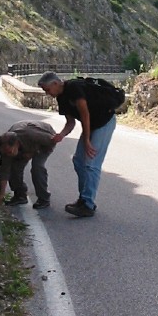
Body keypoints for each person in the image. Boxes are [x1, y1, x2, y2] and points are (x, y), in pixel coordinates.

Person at [37, 71, 117, 218]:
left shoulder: (73, 88)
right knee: (79, 161)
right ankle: (84, 199)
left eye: (47, 90)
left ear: (55, 83)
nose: (47, 93)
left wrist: (86, 140)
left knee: (92, 164)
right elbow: (71, 122)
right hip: (92, 125)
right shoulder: (61, 98)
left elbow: (85, 113)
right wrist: (61, 135)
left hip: (104, 122)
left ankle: (87, 204)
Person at [0, 120, 56, 209]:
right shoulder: (5, 149)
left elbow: (53, 140)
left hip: (45, 141)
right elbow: (4, 171)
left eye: (9, 152)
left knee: (37, 167)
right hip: (25, 146)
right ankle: (20, 195)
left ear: (17, 144)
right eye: (5, 152)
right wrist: (1, 194)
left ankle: (44, 199)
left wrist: (33, 152)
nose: (7, 155)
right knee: (13, 168)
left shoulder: (33, 135)